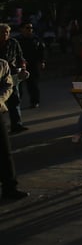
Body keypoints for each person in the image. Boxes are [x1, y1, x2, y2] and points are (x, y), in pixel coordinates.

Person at [0, 59, 29, 201]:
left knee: (5, 152)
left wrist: (0, 100)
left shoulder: (2, 64)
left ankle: (10, 188)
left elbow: (8, 85)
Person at [0, 24, 28, 134]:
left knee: (14, 99)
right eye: (2, 32)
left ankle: (16, 125)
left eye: (7, 32)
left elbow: (20, 57)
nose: (5, 34)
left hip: (12, 74)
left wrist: (23, 69)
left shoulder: (13, 42)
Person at [17, 22, 46, 109]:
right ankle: (16, 103)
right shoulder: (17, 40)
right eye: (27, 28)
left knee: (33, 85)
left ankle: (35, 101)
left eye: (31, 28)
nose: (30, 30)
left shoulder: (36, 39)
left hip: (32, 65)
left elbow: (41, 51)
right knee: (18, 86)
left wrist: (42, 61)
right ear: (21, 29)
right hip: (19, 65)